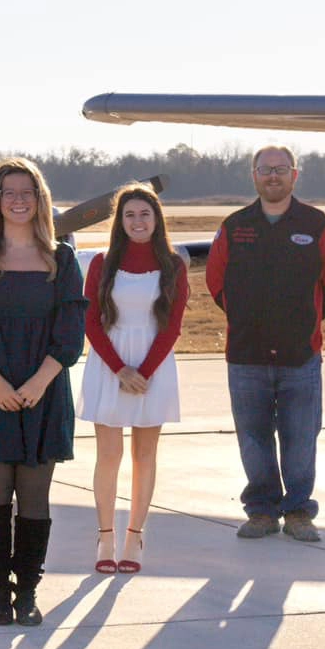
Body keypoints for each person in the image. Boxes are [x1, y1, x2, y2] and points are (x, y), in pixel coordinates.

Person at [0, 158, 87, 628]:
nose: (19, 199)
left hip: (43, 389)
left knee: (35, 497)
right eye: (9, 192)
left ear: (40, 199)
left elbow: (69, 331)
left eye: (28, 191)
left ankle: (27, 592)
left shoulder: (61, 258)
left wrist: (39, 382)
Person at [206, 145, 325, 542]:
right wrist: (247, 319)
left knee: (300, 437)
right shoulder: (234, 227)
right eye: (265, 169)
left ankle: (299, 512)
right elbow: (216, 281)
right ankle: (262, 511)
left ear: (294, 175)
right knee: (252, 438)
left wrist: (303, 320)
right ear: (253, 175)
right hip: (246, 355)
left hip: (300, 356)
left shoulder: (318, 225)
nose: (273, 176)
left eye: (280, 169)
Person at [80, 185, 188, 574]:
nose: (137, 222)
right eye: (130, 215)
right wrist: (119, 369)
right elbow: (91, 320)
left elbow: (172, 325)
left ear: (156, 219)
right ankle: (105, 536)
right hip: (109, 365)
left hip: (153, 367)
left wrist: (143, 371)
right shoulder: (101, 263)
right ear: (119, 221)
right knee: (109, 456)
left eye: (145, 214)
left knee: (145, 456)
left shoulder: (174, 265)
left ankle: (134, 536)